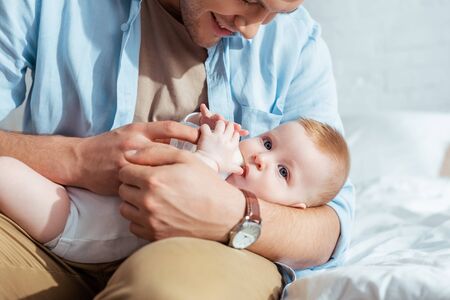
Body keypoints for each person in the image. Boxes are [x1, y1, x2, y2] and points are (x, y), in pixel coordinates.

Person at [0, 0, 355, 299]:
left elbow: (328, 226)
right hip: (58, 232)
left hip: (209, 254)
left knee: (159, 287)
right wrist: (75, 160)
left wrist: (234, 215)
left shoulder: (296, 44)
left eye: (280, 12)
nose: (253, 29)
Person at [0, 105, 350, 264]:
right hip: (79, 190)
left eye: (283, 172)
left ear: (292, 208)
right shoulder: (231, 164)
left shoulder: (232, 204)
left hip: (75, 222)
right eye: (269, 144)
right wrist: (201, 128)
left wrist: (210, 160)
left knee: (7, 176)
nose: (261, 158)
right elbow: (174, 150)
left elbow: (183, 192)